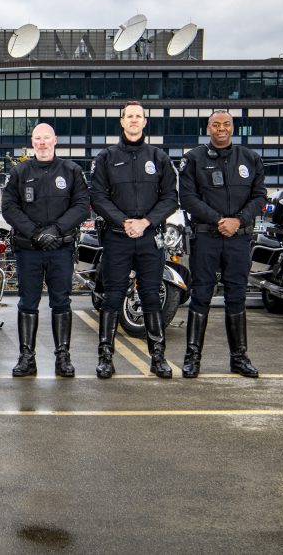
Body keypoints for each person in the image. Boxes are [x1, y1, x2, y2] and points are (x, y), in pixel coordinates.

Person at [89, 102, 178, 379]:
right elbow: (98, 196)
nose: (134, 121)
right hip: (117, 237)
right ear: (122, 121)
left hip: (150, 237)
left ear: (144, 122)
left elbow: (170, 198)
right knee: (112, 297)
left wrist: (145, 222)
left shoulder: (159, 157)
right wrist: (123, 221)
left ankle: (158, 357)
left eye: (138, 116)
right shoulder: (106, 157)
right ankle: (105, 357)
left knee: (151, 296)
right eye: (130, 116)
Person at [179, 110, 265, 378]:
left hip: (239, 239)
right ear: (208, 128)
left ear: (233, 127)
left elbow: (259, 196)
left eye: (226, 124)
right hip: (206, 237)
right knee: (201, 295)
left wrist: (238, 221)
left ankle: (239, 358)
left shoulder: (250, 159)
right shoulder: (193, 159)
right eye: (216, 125)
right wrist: (219, 220)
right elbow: (188, 199)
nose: (221, 129)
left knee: (236, 296)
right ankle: (192, 358)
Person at [2, 123, 90, 378]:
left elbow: (82, 205)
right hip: (28, 249)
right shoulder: (19, 172)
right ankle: (26, 358)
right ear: (32, 142)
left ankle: (63, 358)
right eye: (37, 138)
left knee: (61, 302)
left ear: (55, 140)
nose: (42, 142)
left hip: (60, 249)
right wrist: (36, 233)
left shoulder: (71, 170)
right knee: (27, 302)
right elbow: (9, 208)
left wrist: (56, 230)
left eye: (46, 138)